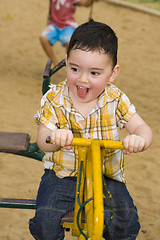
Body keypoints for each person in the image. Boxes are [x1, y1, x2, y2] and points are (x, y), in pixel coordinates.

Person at [29, 19, 153, 240]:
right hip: (62, 175)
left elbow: (143, 128)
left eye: (94, 73)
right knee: (45, 222)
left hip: (106, 177)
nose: (82, 79)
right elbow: (41, 139)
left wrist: (140, 139)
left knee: (126, 222)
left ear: (112, 74)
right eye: (75, 69)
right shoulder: (55, 99)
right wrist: (54, 137)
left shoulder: (115, 98)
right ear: (66, 62)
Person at [40, 0, 93, 67]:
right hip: (54, 25)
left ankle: (69, 64)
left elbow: (85, 4)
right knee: (43, 38)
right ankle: (55, 62)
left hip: (68, 25)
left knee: (69, 43)